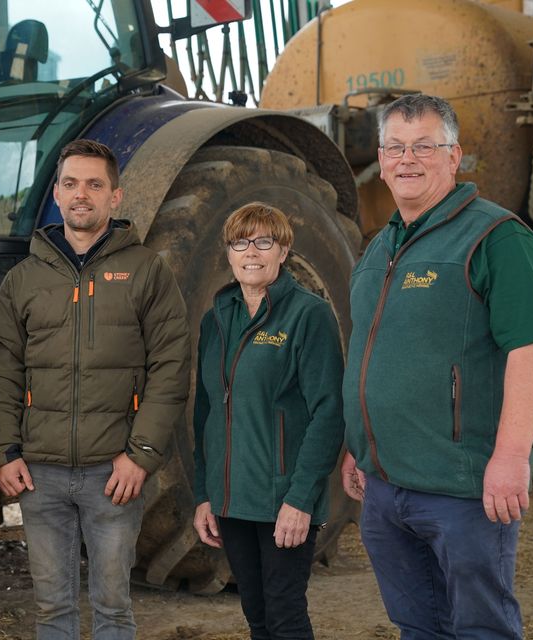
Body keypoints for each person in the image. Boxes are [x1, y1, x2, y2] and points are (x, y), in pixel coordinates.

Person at [341, 94, 533, 639]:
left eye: (424, 146)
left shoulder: (496, 237)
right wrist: (358, 446)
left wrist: (511, 458)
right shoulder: (379, 249)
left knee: (480, 627)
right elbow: (373, 356)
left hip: (462, 489)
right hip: (384, 488)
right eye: (395, 147)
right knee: (417, 626)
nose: (407, 158)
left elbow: (532, 351)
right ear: (380, 157)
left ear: (454, 155)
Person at [0, 138, 190, 639]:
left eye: (95, 185)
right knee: (52, 610)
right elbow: (1, 368)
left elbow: (171, 366)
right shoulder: (24, 279)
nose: (82, 194)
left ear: (115, 197)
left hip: (113, 474)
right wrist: (2, 451)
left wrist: (140, 455)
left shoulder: (146, 271)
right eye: (71, 184)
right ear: (56, 194)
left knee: (114, 608)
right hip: (40, 475)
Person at [191, 202, 345, 639]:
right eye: (240, 242)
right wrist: (206, 493)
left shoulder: (308, 315)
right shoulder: (216, 319)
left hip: (285, 502)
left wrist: (301, 501)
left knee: (285, 618)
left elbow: (329, 412)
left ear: (283, 251)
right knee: (257, 617)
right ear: (229, 253)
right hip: (232, 501)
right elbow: (206, 411)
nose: (251, 252)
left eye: (263, 241)